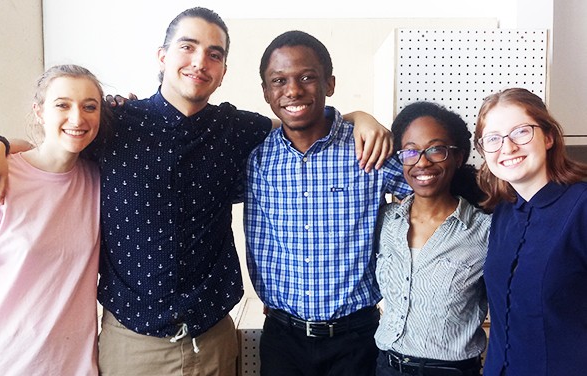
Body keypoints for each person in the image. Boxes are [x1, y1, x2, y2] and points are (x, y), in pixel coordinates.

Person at [0, 7, 392, 375]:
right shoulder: (116, 124)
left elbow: (303, 124)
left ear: (224, 71)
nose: (199, 62)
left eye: (215, 54)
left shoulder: (241, 131)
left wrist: (358, 117)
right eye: (187, 47)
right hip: (132, 342)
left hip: (213, 338)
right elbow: (55, 144)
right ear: (162, 56)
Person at [244, 30, 411, 376]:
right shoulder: (254, 157)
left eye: (307, 77)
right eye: (279, 81)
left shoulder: (367, 148)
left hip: (356, 339)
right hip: (282, 339)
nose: (293, 90)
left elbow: (431, 193)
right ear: (265, 92)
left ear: (329, 83)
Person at [0, 64, 109, 375]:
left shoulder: (99, 180)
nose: (77, 118)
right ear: (39, 112)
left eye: (89, 106)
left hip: (74, 367)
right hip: (0, 365)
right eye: (62, 105)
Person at [474, 88, 587, 375]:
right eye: (493, 139)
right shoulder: (503, 211)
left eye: (521, 132)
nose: (508, 148)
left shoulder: (582, 207)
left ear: (548, 137)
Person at [375, 101, 490, 376]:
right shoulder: (385, 222)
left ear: (458, 156)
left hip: (449, 371)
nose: (422, 162)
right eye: (410, 151)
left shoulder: (485, 230)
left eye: (436, 149)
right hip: (385, 366)